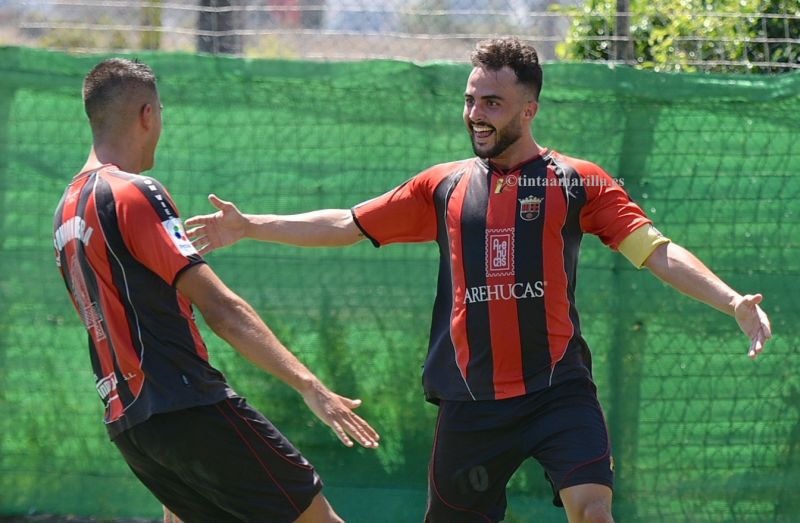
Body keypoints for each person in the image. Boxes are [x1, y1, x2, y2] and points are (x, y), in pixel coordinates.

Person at [185, 38, 771, 523]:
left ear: (528, 110)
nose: (475, 114)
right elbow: (346, 221)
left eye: (492, 102)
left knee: (593, 510)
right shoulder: (443, 186)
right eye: (470, 100)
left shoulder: (577, 182)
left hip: (556, 390)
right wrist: (250, 225)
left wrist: (732, 302)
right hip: (471, 403)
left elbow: (656, 251)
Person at [52, 58, 379, 523]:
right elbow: (221, 309)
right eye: (161, 111)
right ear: (148, 114)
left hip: (131, 426)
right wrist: (311, 386)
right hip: (189, 405)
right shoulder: (133, 192)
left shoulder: (66, 211)